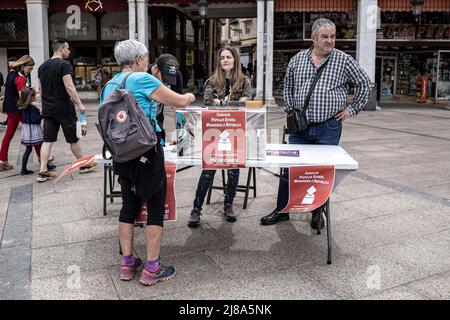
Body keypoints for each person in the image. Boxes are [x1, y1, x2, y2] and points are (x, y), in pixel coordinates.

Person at [260, 18, 371, 228]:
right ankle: (282, 209)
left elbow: (365, 84)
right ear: (313, 38)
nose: (330, 41)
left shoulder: (343, 60)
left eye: (333, 36)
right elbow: (288, 87)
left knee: (322, 172)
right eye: (325, 37)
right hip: (299, 128)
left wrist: (352, 109)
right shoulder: (297, 60)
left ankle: (317, 213)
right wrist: (292, 110)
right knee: (289, 169)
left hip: (328, 127)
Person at [101, 40, 195, 286]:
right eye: (145, 57)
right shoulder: (143, 80)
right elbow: (180, 101)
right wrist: (189, 95)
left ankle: (127, 263)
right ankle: (152, 268)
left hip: (121, 153)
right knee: (155, 207)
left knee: (128, 206)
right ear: (139, 59)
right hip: (146, 150)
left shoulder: (109, 84)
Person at [188, 46, 252, 227]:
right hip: (214, 132)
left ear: (235, 60)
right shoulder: (212, 80)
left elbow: (247, 101)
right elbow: (208, 102)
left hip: (235, 131)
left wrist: (223, 102)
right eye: (222, 57)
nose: (225, 60)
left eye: (228, 57)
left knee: (233, 169)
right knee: (208, 170)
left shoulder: (244, 81)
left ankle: (229, 204)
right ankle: (196, 208)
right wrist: (229, 103)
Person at [36, 38, 97, 182]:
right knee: (73, 139)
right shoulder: (64, 65)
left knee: (47, 139)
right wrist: (80, 104)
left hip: (48, 109)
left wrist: (42, 106)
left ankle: (43, 171)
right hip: (63, 108)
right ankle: (83, 164)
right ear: (61, 49)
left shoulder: (42, 66)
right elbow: (69, 87)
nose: (69, 51)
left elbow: (40, 90)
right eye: (67, 49)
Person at [0, 55, 35, 171]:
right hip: (19, 110)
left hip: (10, 109)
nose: (29, 71)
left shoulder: (11, 73)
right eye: (29, 69)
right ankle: (43, 158)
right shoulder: (20, 78)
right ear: (23, 65)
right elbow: (23, 98)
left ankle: (2, 160)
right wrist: (33, 97)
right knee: (35, 131)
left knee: (8, 135)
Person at [16, 87, 56, 175]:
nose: (36, 97)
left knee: (28, 150)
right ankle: (46, 166)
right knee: (41, 148)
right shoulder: (32, 108)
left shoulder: (24, 107)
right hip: (33, 131)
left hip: (27, 131)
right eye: (34, 95)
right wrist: (42, 115)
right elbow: (34, 120)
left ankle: (23, 169)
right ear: (31, 97)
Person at [148, 53, 184, 144]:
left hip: (158, 116)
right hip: (140, 121)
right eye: (164, 78)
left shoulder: (176, 75)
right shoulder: (143, 74)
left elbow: (178, 104)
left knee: (160, 144)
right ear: (155, 69)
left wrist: (178, 132)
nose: (166, 82)